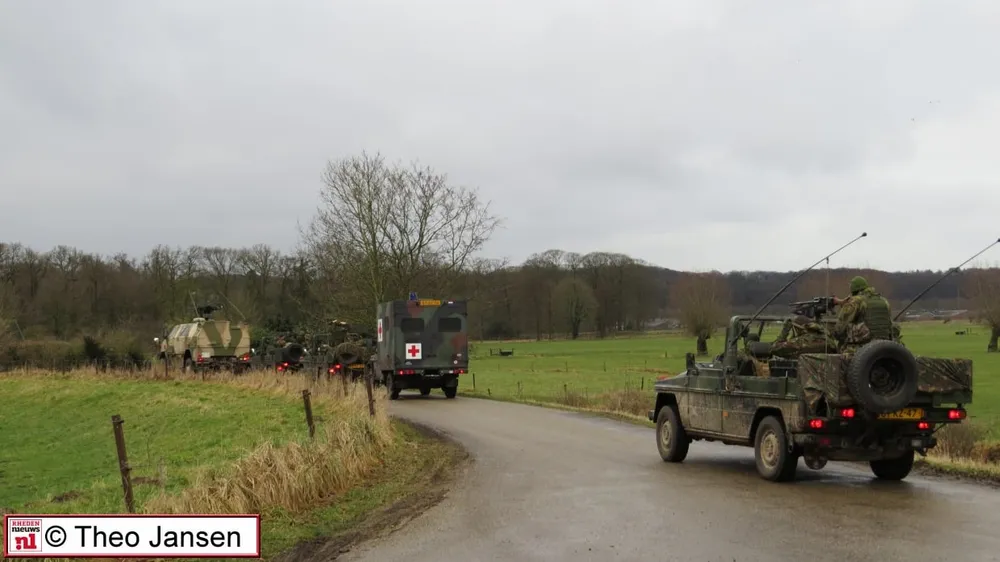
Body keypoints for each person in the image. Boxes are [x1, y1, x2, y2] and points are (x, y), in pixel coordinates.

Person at [832, 276, 894, 352]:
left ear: (853, 290)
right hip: (886, 344)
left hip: (863, 347)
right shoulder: (884, 301)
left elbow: (839, 329)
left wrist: (836, 336)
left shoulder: (855, 301)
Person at [770, 315, 837, 358]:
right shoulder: (829, 340)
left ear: (798, 329)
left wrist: (785, 330)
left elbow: (774, 349)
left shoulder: (799, 342)